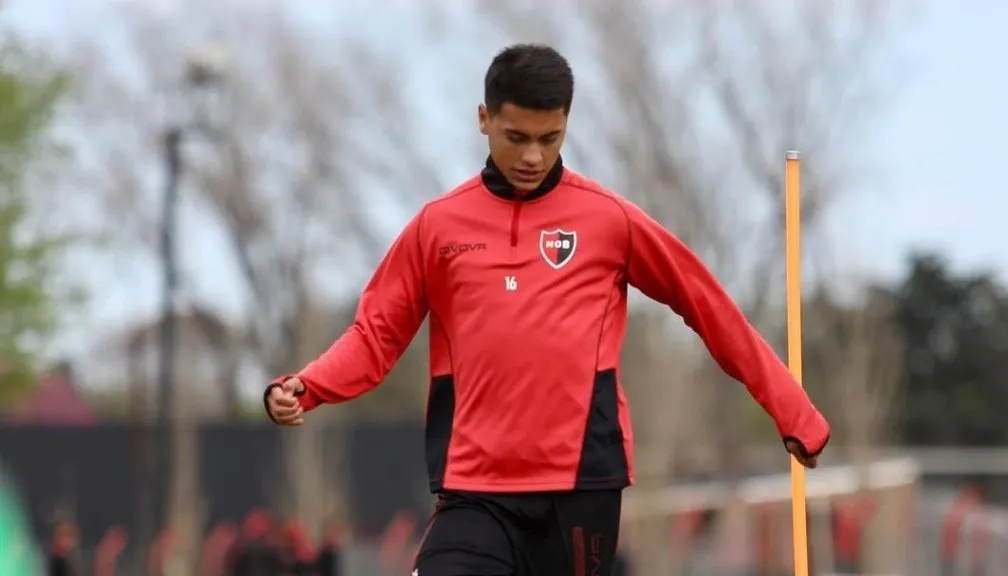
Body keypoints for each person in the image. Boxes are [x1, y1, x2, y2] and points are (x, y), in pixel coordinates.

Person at [264, 43, 830, 576]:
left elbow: (708, 307)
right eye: (516, 136)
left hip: (583, 487)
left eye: (550, 137)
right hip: (474, 491)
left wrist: (792, 410)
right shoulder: (437, 227)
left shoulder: (610, 220)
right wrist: (306, 386)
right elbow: (374, 337)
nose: (533, 155)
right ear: (483, 118)